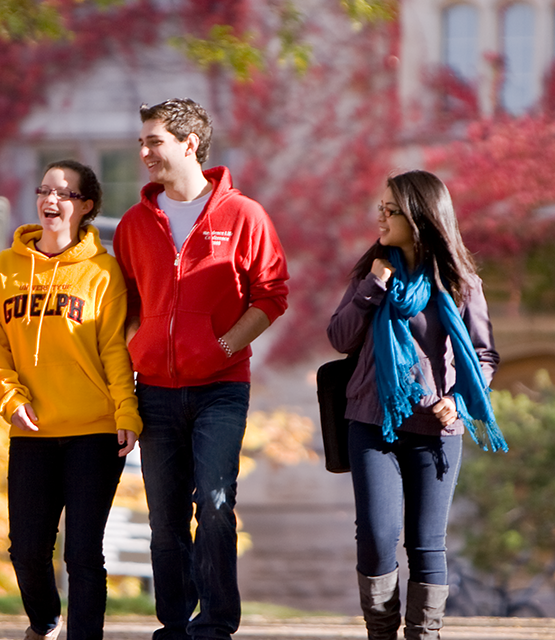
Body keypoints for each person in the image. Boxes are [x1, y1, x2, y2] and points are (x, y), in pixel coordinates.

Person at [112, 98, 290, 640]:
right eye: (141, 141)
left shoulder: (244, 215)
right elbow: (125, 310)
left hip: (220, 388)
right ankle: (173, 623)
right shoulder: (133, 224)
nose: (144, 152)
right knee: (165, 520)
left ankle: (214, 622)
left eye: (155, 141)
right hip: (156, 392)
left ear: (190, 143)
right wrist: (133, 358)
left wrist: (223, 347)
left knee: (214, 502)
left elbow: (273, 295)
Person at [327, 171, 503, 640]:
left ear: (420, 216)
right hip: (372, 423)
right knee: (378, 539)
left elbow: (484, 355)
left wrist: (459, 401)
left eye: (391, 210)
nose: (380, 217)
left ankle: (425, 636)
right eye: (380, 208)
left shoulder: (461, 283)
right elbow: (340, 336)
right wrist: (374, 287)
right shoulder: (373, 272)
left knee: (427, 545)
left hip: (436, 430)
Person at [0, 160, 141, 640]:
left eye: (64, 194)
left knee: (84, 553)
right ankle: (45, 621)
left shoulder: (102, 272)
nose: (51, 200)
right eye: (45, 191)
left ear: (86, 206)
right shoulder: (4, 272)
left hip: (93, 429)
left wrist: (126, 410)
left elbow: (115, 348)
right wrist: (9, 401)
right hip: (32, 430)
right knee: (26, 549)